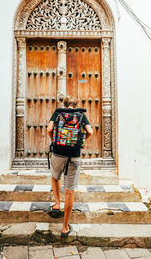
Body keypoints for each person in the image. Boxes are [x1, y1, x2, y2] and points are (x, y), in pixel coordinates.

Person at [47, 95, 93, 237]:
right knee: (69, 191)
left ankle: (56, 203)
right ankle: (65, 227)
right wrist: (82, 142)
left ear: (65, 104)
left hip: (58, 153)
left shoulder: (58, 112)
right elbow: (90, 131)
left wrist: (54, 142)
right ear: (75, 104)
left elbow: (49, 129)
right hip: (74, 156)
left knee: (55, 177)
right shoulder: (81, 115)